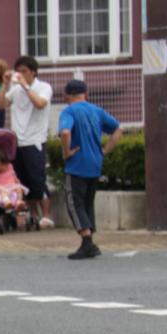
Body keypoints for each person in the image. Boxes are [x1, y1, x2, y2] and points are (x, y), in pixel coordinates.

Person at [58, 79, 123, 260]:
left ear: (67, 96)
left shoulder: (68, 111)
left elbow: (64, 132)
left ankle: (87, 241)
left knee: (74, 203)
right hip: (95, 163)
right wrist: (105, 150)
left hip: (77, 164)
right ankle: (90, 242)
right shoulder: (97, 110)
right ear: (85, 94)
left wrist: (66, 152)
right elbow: (118, 129)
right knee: (87, 203)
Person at [0, 55, 54, 228]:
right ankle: (33, 215)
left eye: (24, 71)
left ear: (33, 72)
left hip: (35, 140)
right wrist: (5, 84)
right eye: (18, 71)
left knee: (38, 180)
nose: (20, 74)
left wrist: (26, 86)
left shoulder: (43, 87)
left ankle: (46, 215)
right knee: (23, 182)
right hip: (17, 142)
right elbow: (0, 105)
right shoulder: (15, 89)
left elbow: (39, 104)